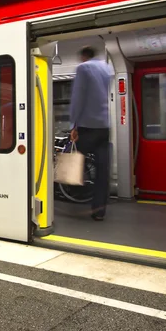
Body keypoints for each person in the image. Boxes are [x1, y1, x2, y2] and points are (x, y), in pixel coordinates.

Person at [69, 46, 112, 221]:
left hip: (87, 126)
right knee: (103, 169)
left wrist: (74, 124)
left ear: (84, 56)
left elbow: (78, 97)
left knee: (74, 159)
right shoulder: (105, 68)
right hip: (104, 126)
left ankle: (74, 193)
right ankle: (99, 210)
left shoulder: (83, 68)